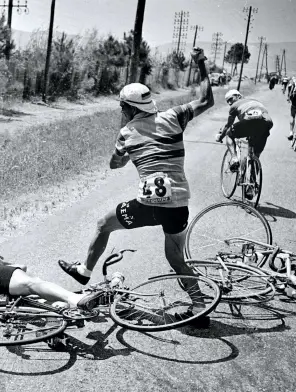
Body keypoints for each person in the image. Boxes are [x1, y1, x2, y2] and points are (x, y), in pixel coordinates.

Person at [57, 47, 214, 328]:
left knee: (104, 223)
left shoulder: (127, 133)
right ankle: (200, 306)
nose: (121, 111)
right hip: (179, 203)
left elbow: (114, 165)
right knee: (176, 258)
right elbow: (206, 99)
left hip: (150, 205)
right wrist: (201, 63)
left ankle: (84, 271)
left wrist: (126, 138)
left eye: (122, 107)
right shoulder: (174, 116)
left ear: (129, 108)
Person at [215, 89, 273, 200]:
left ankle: (234, 158)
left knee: (229, 134)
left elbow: (228, 125)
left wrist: (221, 136)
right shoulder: (257, 102)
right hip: (266, 124)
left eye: (230, 99)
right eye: (228, 101)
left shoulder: (235, 106)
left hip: (249, 122)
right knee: (255, 155)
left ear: (238, 96)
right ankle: (250, 187)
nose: (230, 103)